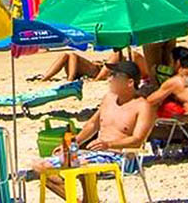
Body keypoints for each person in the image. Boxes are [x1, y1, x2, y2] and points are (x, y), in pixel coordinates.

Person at [32, 61, 151, 201]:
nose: (110, 79)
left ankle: (89, 200)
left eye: (114, 76)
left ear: (129, 82)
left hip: (122, 157)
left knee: (79, 163)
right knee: (40, 166)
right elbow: (92, 124)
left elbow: (138, 140)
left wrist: (109, 145)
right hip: (95, 154)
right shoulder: (109, 99)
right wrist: (72, 145)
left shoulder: (142, 106)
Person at [142, 53, 188, 132]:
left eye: (171, 62)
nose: (170, 65)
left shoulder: (176, 81)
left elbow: (149, 102)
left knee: (158, 106)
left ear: (178, 63)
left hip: (185, 127)